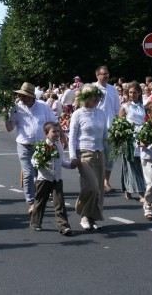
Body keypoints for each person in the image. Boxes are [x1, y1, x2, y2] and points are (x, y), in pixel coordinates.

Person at [5, 82, 58, 213]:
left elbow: (53, 122)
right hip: (24, 145)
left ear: (32, 97)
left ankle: (42, 197)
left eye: (24, 96)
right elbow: (9, 128)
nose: (21, 98)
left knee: (43, 173)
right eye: (20, 95)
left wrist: (61, 136)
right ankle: (31, 202)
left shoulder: (43, 106)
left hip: (42, 145)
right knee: (28, 173)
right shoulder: (16, 108)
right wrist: (6, 115)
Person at [68, 84, 107, 231]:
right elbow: (72, 137)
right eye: (92, 95)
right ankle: (84, 214)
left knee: (99, 190)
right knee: (90, 187)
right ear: (85, 98)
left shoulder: (101, 113)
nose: (96, 98)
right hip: (84, 154)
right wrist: (73, 156)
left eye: (97, 95)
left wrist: (115, 142)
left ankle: (94, 217)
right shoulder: (78, 114)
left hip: (99, 153)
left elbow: (105, 135)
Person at [30, 122, 74, 235]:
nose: (57, 134)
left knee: (59, 203)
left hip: (57, 179)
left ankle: (63, 226)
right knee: (40, 201)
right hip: (44, 178)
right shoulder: (42, 145)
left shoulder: (59, 145)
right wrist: (41, 160)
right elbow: (34, 161)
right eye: (54, 131)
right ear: (46, 134)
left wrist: (71, 165)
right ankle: (36, 222)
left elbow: (62, 161)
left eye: (58, 131)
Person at [117, 82, 147, 202]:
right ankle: (141, 192)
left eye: (134, 92)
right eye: (130, 92)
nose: (132, 95)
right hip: (130, 136)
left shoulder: (143, 107)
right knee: (131, 162)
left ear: (139, 93)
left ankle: (127, 188)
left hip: (141, 135)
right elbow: (119, 122)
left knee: (137, 163)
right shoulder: (125, 107)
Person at [93, 65, 121, 193]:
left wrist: (117, 124)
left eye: (107, 73)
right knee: (96, 155)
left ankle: (106, 182)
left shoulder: (112, 89)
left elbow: (117, 108)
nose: (106, 76)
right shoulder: (93, 89)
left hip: (110, 126)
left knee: (109, 156)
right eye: (103, 74)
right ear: (97, 75)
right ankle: (96, 181)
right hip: (96, 126)